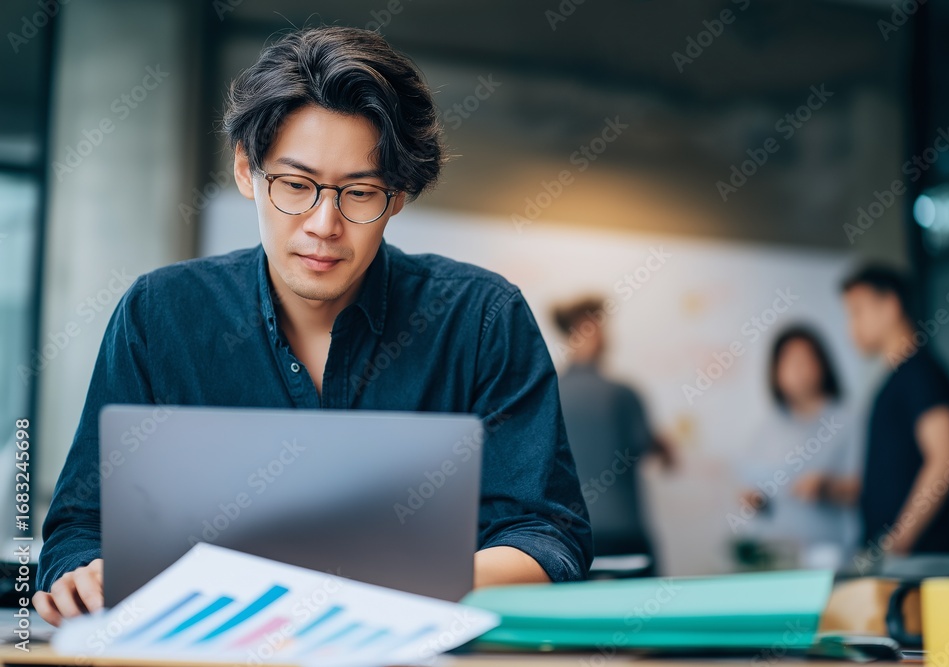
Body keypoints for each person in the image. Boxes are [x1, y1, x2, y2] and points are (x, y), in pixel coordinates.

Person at [34, 26, 592, 626]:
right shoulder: (161, 314)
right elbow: (79, 529)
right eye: (296, 186)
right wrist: (85, 574)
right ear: (248, 172)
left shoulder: (481, 319)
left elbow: (546, 536)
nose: (324, 223)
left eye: (360, 192)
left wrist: (369, 587)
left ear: (398, 195)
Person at [841, 265, 949, 558]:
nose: (851, 326)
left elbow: (946, 460)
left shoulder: (920, 374)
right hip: (895, 561)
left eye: (858, 311)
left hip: (917, 562)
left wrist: (899, 539)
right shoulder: (895, 379)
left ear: (890, 305)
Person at [552, 297, 672, 574]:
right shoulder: (623, 394)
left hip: (566, 536)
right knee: (645, 614)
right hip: (623, 533)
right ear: (588, 329)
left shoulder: (549, 393)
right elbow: (645, 448)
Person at [736, 325, 861, 563]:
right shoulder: (767, 428)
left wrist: (826, 487)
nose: (798, 370)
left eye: (805, 360)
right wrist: (754, 499)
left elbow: (869, 486)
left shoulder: (848, 420)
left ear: (822, 364)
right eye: (789, 362)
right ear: (775, 371)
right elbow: (754, 487)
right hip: (775, 554)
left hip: (832, 554)